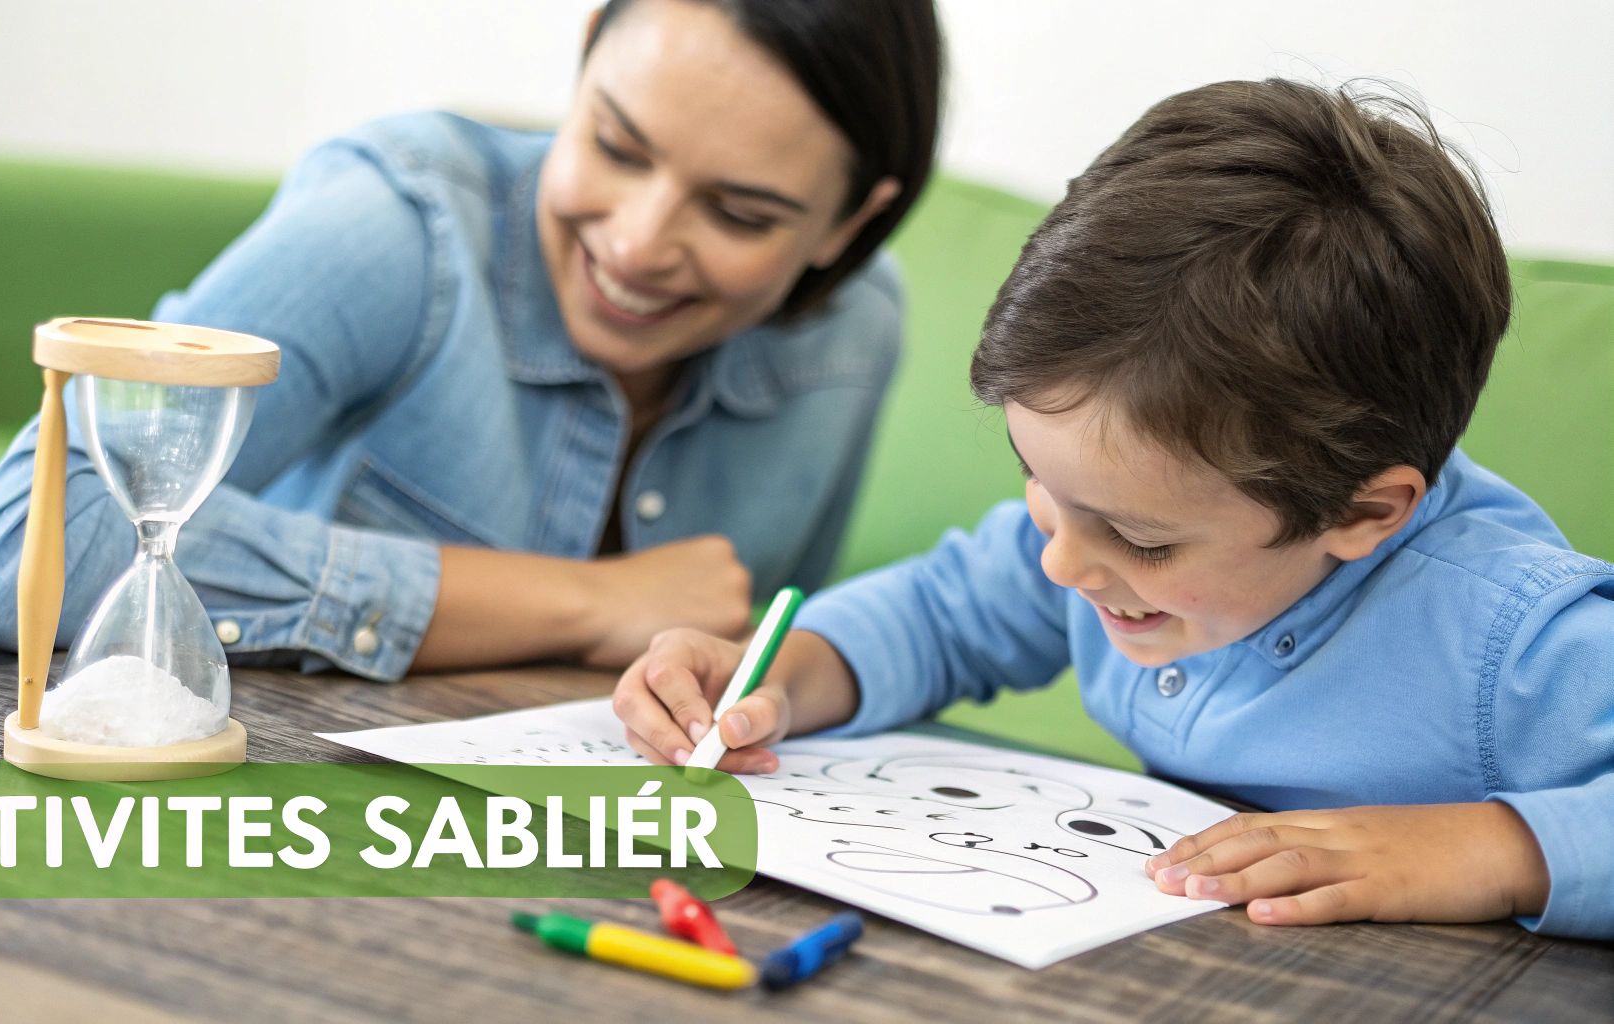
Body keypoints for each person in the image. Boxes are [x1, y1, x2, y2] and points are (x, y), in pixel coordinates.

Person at [610, 79, 1613, 939]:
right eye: (1037, 481)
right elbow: (941, 613)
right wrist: (778, 679)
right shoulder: (1088, 534)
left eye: (1141, 539)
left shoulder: (1506, 634)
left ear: (1364, 513)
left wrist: (1498, 849)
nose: (1059, 562)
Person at [0, 0, 943, 679]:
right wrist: (589, 601)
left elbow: (762, 662)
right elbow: (29, 546)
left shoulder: (850, 337)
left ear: (848, 224)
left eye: (738, 213)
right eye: (615, 146)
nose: (638, 245)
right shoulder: (397, 227)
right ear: (587, 53)